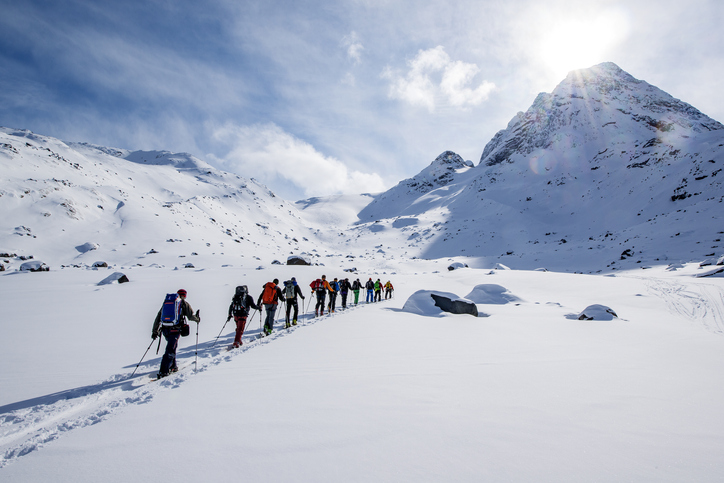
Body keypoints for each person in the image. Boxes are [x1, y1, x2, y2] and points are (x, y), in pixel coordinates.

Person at [152, 289, 200, 379]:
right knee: (170, 349)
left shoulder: (167, 303)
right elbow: (190, 316)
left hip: (165, 329)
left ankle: (173, 366)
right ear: (185, 295)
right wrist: (197, 319)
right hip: (175, 330)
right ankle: (164, 371)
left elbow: (158, 317)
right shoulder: (183, 303)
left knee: (172, 347)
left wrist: (155, 331)